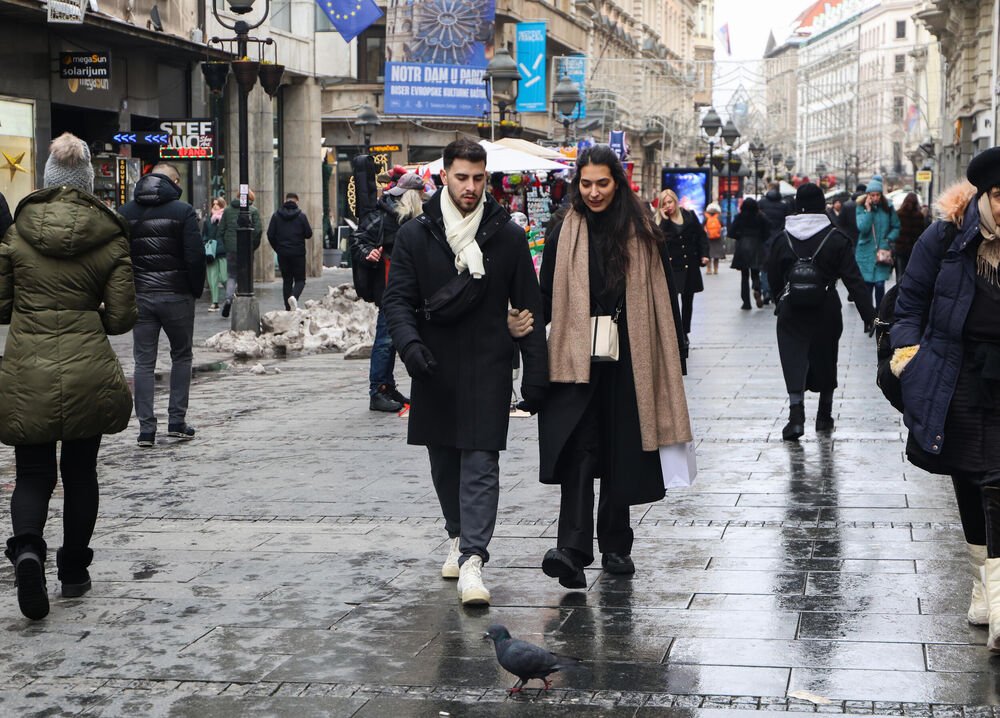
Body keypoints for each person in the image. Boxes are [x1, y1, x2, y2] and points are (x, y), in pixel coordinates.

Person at [381, 139, 548, 606]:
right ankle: (456, 533)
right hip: (433, 365)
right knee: (444, 463)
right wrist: (410, 347)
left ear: (487, 179)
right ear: (445, 177)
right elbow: (396, 300)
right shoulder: (416, 235)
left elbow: (530, 309)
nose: (470, 187)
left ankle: (474, 558)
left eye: (478, 178)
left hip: (489, 363)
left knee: (480, 462)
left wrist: (536, 374)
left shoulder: (507, 236)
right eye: (461, 177)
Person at [537, 144, 690, 589]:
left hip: (629, 359)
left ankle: (617, 545)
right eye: (585, 184)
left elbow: (665, 295)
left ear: (617, 183)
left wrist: (674, 349)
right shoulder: (562, 230)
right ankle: (572, 550)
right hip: (575, 356)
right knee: (580, 450)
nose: (594, 192)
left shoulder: (641, 230)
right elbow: (545, 295)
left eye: (602, 183)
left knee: (621, 447)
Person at [0, 133, 136, 619]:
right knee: (81, 472)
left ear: (47, 180)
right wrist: (83, 316)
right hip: (87, 372)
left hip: (27, 371)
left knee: (33, 472)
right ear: (88, 183)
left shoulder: (16, 233)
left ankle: (29, 549)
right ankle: (74, 570)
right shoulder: (111, 236)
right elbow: (121, 317)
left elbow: (0, 307)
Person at [891, 148, 1000, 652]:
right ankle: (983, 581)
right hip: (955, 372)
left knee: (997, 479)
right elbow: (910, 298)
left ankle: (998, 600)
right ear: (984, 195)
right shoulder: (948, 234)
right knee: (968, 475)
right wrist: (910, 355)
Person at [767, 183, 876, 441]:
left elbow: (771, 274)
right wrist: (869, 315)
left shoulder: (782, 238)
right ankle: (824, 416)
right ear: (821, 205)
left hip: (792, 310)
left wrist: (778, 301)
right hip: (826, 308)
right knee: (826, 358)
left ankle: (795, 417)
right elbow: (854, 279)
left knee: (793, 358)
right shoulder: (836, 238)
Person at [120, 163, 206, 447]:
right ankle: (176, 422)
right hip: (176, 295)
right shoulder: (183, 211)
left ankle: (146, 430)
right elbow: (194, 256)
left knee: (143, 362)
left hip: (141, 295)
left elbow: (119, 256)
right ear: (173, 181)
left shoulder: (125, 212)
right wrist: (195, 290)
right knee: (182, 356)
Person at [350, 172, 426, 412]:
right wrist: (368, 253)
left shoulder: (408, 217)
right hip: (391, 288)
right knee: (386, 338)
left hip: (407, 286)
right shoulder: (386, 217)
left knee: (392, 339)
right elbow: (359, 240)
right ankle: (379, 390)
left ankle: (387, 387)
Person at [655, 188, 709, 336]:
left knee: (688, 301)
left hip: (689, 264)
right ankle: (676, 333)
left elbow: (701, 236)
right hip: (673, 266)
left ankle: (684, 333)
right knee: (672, 301)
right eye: (664, 203)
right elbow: (660, 241)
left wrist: (704, 254)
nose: (668, 206)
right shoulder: (661, 223)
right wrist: (664, 221)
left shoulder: (689, 215)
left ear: (675, 201)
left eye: (670, 202)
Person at [217, 190, 263, 318]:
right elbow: (258, 230)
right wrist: (253, 245)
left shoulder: (227, 211)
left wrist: (226, 244)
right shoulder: (253, 211)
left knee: (231, 275)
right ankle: (244, 298)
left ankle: (228, 299)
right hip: (246, 248)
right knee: (246, 275)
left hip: (231, 248)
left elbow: (221, 230)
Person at [855, 176, 899, 306]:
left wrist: (888, 239)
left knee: (880, 285)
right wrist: (868, 211)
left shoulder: (888, 207)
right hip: (866, 253)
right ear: (868, 195)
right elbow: (862, 228)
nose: (875, 198)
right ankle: (868, 318)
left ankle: (879, 315)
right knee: (867, 286)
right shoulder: (860, 207)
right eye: (872, 195)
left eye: (877, 195)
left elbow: (896, 226)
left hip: (882, 252)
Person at [267, 192, 313, 311]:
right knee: (300, 280)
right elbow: (309, 234)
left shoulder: (276, 216)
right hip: (298, 253)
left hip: (283, 253)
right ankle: (294, 296)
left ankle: (288, 308)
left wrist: (278, 248)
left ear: (285, 201)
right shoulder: (301, 216)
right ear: (296, 201)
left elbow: (270, 234)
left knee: (287, 280)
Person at [729, 198, 772, 309]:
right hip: (757, 246)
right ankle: (757, 289)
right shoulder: (760, 216)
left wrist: (740, 236)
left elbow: (731, 232)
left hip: (743, 246)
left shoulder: (740, 217)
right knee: (755, 273)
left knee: (744, 276)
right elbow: (768, 230)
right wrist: (761, 238)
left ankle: (746, 302)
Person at [758, 182, 792, 304]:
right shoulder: (784, 204)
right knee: (779, 265)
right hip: (780, 237)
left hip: (765, 238)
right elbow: (788, 221)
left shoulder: (761, 203)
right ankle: (776, 292)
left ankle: (766, 290)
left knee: (765, 265)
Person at [894, 192, 926, 279]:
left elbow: (895, 230)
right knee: (911, 274)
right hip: (913, 250)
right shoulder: (919, 216)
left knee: (900, 273)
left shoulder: (898, 214)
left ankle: (899, 290)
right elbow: (921, 234)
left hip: (900, 248)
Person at [203, 197, 226, 311]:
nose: (215, 206)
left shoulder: (225, 219)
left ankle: (231, 295)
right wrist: (205, 244)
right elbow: (205, 235)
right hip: (211, 253)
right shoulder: (208, 220)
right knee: (212, 279)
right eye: (213, 204)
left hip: (222, 252)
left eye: (218, 204)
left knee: (224, 277)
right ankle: (215, 302)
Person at [704, 201, 725, 275]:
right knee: (717, 255)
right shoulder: (718, 216)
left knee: (708, 254)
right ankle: (716, 269)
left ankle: (709, 269)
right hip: (717, 238)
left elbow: (703, 225)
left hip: (708, 237)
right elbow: (722, 225)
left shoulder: (706, 216)